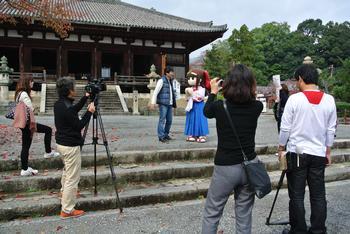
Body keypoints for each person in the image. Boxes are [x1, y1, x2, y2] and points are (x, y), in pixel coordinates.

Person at [202, 64, 263, 234]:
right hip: (249, 165)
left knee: (212, 212)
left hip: (225, 167)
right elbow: (252, 98)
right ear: (251, 84)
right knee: (244, 214)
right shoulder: (257, 107)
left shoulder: (219, 107)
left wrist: (213, 91)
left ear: (227, 84)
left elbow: (206, 111)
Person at [278, 64, 337, 234]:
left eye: (297, 80)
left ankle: (298, 230)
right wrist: (328, 151)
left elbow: (285, 128)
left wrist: (281, 146)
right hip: (318, 153)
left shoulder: (295, 99)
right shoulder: (329, 100)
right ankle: (318, 229)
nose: (296, 83)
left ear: (301, 79)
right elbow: (331, 129)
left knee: (296, 195)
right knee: (318, 194)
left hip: (297, 153)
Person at [54, 77, 95, 219]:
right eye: (74, 87)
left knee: (67, 171)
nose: (75, 89)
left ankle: (63, 192)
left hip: (61, 144)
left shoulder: (59, 104)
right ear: (68, 91)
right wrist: (89, 111)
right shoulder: (68, 109)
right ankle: (67, 209)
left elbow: (73, 110)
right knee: (72, 178)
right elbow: (78, 125)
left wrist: (85, 98)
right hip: (70, 146)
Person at [14, 77, 60, 177]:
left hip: (24, 123)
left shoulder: (18, 94)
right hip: (28, 123)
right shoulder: (24, 94)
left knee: (26, 145)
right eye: (31, 82)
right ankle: (26, 168)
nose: (32, 83)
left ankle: (25, 167)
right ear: (27, 82)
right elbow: (31, 108)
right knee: (47, 130)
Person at [151, 66, 177, 143]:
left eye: (173, 72)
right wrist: (153, 103)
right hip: (163, 104)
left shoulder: (171, 81)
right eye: (171, 72)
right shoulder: (161, 81)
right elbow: (155, 92)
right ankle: (161, 137)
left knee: (169, 120)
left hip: (170, 104)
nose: (173, 73)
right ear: (167, 73)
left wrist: (173, 103)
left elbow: (172, 93)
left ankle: (166, 134)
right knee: (162, 120)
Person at [184, 69, 210, 143]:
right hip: (191, 105)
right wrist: (187, 93)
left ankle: (202, 135)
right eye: (189, 78)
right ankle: (192, 134)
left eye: (192, 78)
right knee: (191, 119)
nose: (190, 80)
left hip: (200, 105)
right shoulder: (189, 89)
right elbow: (186, 99)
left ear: (200, 79)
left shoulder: (203, 89)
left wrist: (192, 94)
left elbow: (203, 97)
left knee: (200, 119)